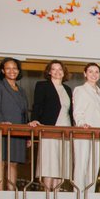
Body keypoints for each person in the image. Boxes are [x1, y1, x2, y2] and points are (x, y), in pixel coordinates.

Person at [0, 57, 31, 190]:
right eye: (8, 68)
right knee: (1, 161)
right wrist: (0, 122)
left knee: (13, 162)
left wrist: (28, 135)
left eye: (15, 68)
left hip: (19, 130)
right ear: (2, 70)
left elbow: (25, 113)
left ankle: (11, 192)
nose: (12, 71)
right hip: (3, 128)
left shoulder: (21, 90)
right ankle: (0, 192)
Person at [32, 59, 74, 191]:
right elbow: (37, 105)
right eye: (54, 69)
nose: (57, 72)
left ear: (64, 72)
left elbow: (70, 111)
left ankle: (56, 194)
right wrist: (34, 119)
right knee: (49, 163)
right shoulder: (42, 85)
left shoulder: (67, 89)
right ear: (49, 72)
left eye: (60, 69)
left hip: (65, 128)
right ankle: (46, 195)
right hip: (49, 128)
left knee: (61, 164)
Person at [69, 63, 100, 193]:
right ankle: (78, 196)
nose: (94, 74)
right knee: (81, 165)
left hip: (99, 134)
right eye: (90, 71)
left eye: (96, 72)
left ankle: (90, 196)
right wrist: (81, 123)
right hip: (84, 132)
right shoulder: (80, 90)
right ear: (85, 74)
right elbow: (77, 111)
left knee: (94, 167)